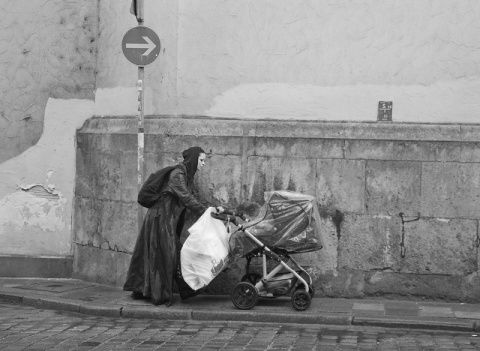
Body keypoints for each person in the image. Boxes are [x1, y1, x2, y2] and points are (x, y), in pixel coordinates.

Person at [123, 146, 224, 306]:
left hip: (167, 219)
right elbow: (186, 198)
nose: (203, 164)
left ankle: (183, 289)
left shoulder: (185, 175)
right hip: (160, 218)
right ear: (193, 159)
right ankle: (160, 294)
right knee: (165, 254)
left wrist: (212, 208)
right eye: (201, 160)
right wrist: (207, 213)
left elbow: (192, 196)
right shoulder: (177, 175)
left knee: (170, 253)